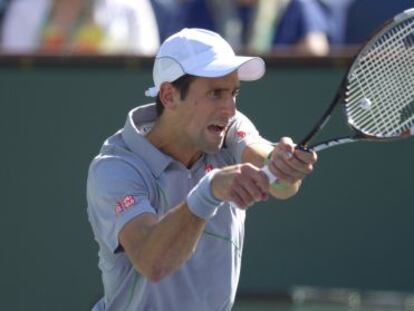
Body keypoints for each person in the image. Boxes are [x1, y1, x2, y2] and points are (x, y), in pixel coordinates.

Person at [86, 28, 317, 311]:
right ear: (169, 96)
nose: (229, 109)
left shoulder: (229, 128)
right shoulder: (115, 169)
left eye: (234, 93)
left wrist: (282, 166)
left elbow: (279, 183)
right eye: (215, 93)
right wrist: (209, 191)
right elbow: (154, 263)